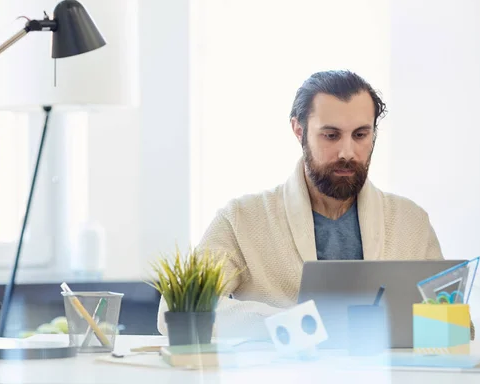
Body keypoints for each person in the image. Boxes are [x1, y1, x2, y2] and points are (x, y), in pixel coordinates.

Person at [157, 70, 444, 339]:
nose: (347, 152)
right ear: (298, 130)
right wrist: (292, 325)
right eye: (330, 135)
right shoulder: (242, 219)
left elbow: (453, 328)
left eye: (360, 135)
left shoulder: (411, 222)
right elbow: (176, 310)